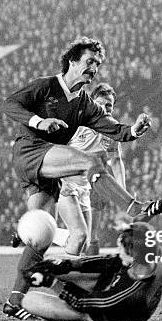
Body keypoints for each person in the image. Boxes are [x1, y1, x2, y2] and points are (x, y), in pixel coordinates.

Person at [2, 37, 162, 319]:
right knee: (88, 163)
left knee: (39, 238)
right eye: (89, 61)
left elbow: (113, 129)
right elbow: (10, 105)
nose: (93, 67)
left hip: (49, 168)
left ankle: (15, 300)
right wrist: (39, 121)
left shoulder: (83, 103)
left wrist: (133, 130)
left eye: (98, 63)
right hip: (30, 151)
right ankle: (136, 208)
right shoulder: (46, 86)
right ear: (72, 61)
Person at [21, 222, 162, 321]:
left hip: (106, 314)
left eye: (121, 250)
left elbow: (87, 302)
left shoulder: (130, 291)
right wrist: (67, 265)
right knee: (57, 263)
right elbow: (108, 262)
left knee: (29, 300)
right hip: (111, 292)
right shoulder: (144, 260)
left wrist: (53, 283)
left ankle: (78, 317)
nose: (119, 253)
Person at [57, 82, 126, 256]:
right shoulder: (76, 122)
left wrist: (123, 195)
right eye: (101, 103)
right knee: (73, 233)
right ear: (92, 103)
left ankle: (88, 276)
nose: (105, 108)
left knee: (89, 236)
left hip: (94, 184)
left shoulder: (112, 130)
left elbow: (116, 162)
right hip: (69, 180)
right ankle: (31, 232)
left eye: (109, 105)